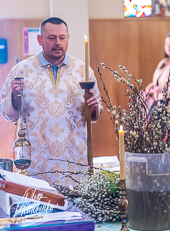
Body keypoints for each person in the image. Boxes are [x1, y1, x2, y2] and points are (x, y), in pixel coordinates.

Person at [0, 17, 102, 186]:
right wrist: (14, 97)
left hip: (74, 163)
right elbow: (7, 114)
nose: (57, 43)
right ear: (39, 40)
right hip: (36, 165)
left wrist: (93, 107)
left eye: (62, 38)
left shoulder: (83, 71)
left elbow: (93, 115)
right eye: (51, 38)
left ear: (68, 38)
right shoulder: (21, 70)